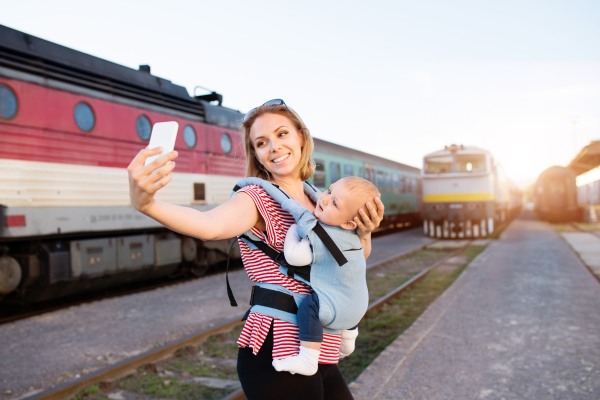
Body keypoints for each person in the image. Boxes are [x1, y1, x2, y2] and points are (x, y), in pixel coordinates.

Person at [127, 99, 384, 400]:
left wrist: (364, 233)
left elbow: (346, 265)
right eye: (262, 142)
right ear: (257, 156)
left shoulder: (321, 200)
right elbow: (209, 225)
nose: (274, 146)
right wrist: (147, 205)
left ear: (301, 137)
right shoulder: (256, 197)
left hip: (319, 350)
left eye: (282, 134)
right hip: (277, 348)